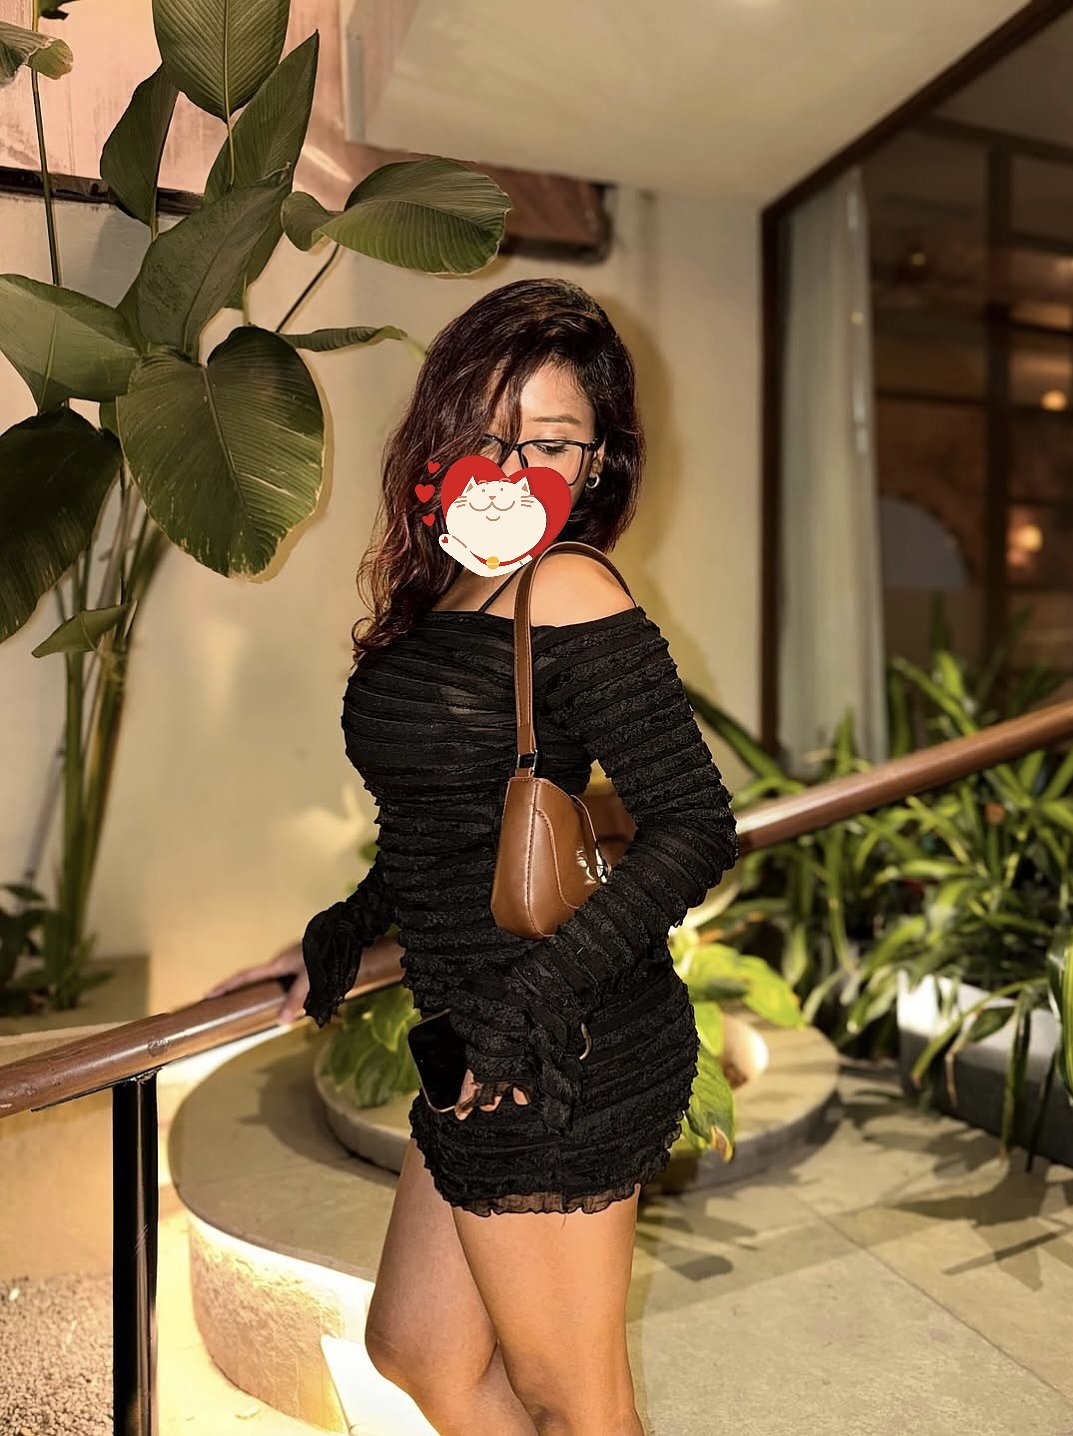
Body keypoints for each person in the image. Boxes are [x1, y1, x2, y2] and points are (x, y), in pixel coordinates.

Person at [204, 277, 739, 1435]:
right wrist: (342, 932)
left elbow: (695, 821)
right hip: (474, 1026)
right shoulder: (446, 584)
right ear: (443, 433)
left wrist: (533, 998)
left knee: (573, 1396)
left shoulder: (568, 584)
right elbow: (439, 824)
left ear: (594, 463)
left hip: (559, 1040)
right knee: (419, 1348)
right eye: (491, 432)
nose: (514, 464)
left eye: (551, 440)